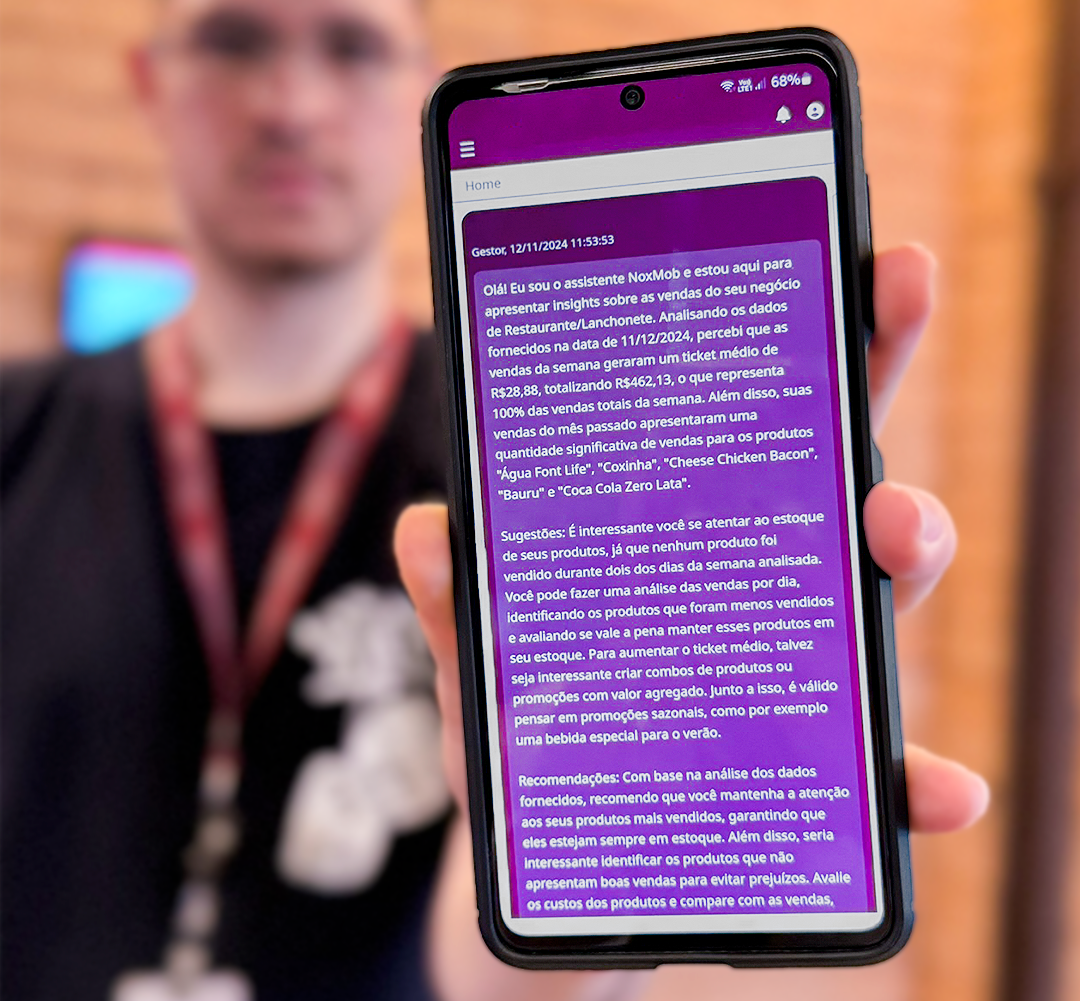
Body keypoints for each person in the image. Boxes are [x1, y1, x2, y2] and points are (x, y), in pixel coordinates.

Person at [0, 0, 989, 999]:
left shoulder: (558, 454)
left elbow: (496, 987)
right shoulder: (12, 433)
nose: (291, 103)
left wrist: (603, 838)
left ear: (415, 83)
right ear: (148, 83)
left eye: (351, 46)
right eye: (234, 40)